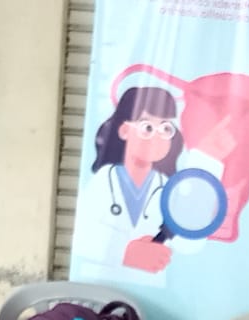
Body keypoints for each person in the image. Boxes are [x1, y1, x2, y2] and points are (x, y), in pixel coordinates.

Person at [72, 85, 234, 285]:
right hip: (102, 285)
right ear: (124, 130)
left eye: (165, 129)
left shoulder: (167, 187)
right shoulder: (104, 180)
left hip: (151, 287)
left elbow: (189, 243)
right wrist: (124, 253)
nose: (157, 137)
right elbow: (82, 237)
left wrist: (205, 161)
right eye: (147, 128)